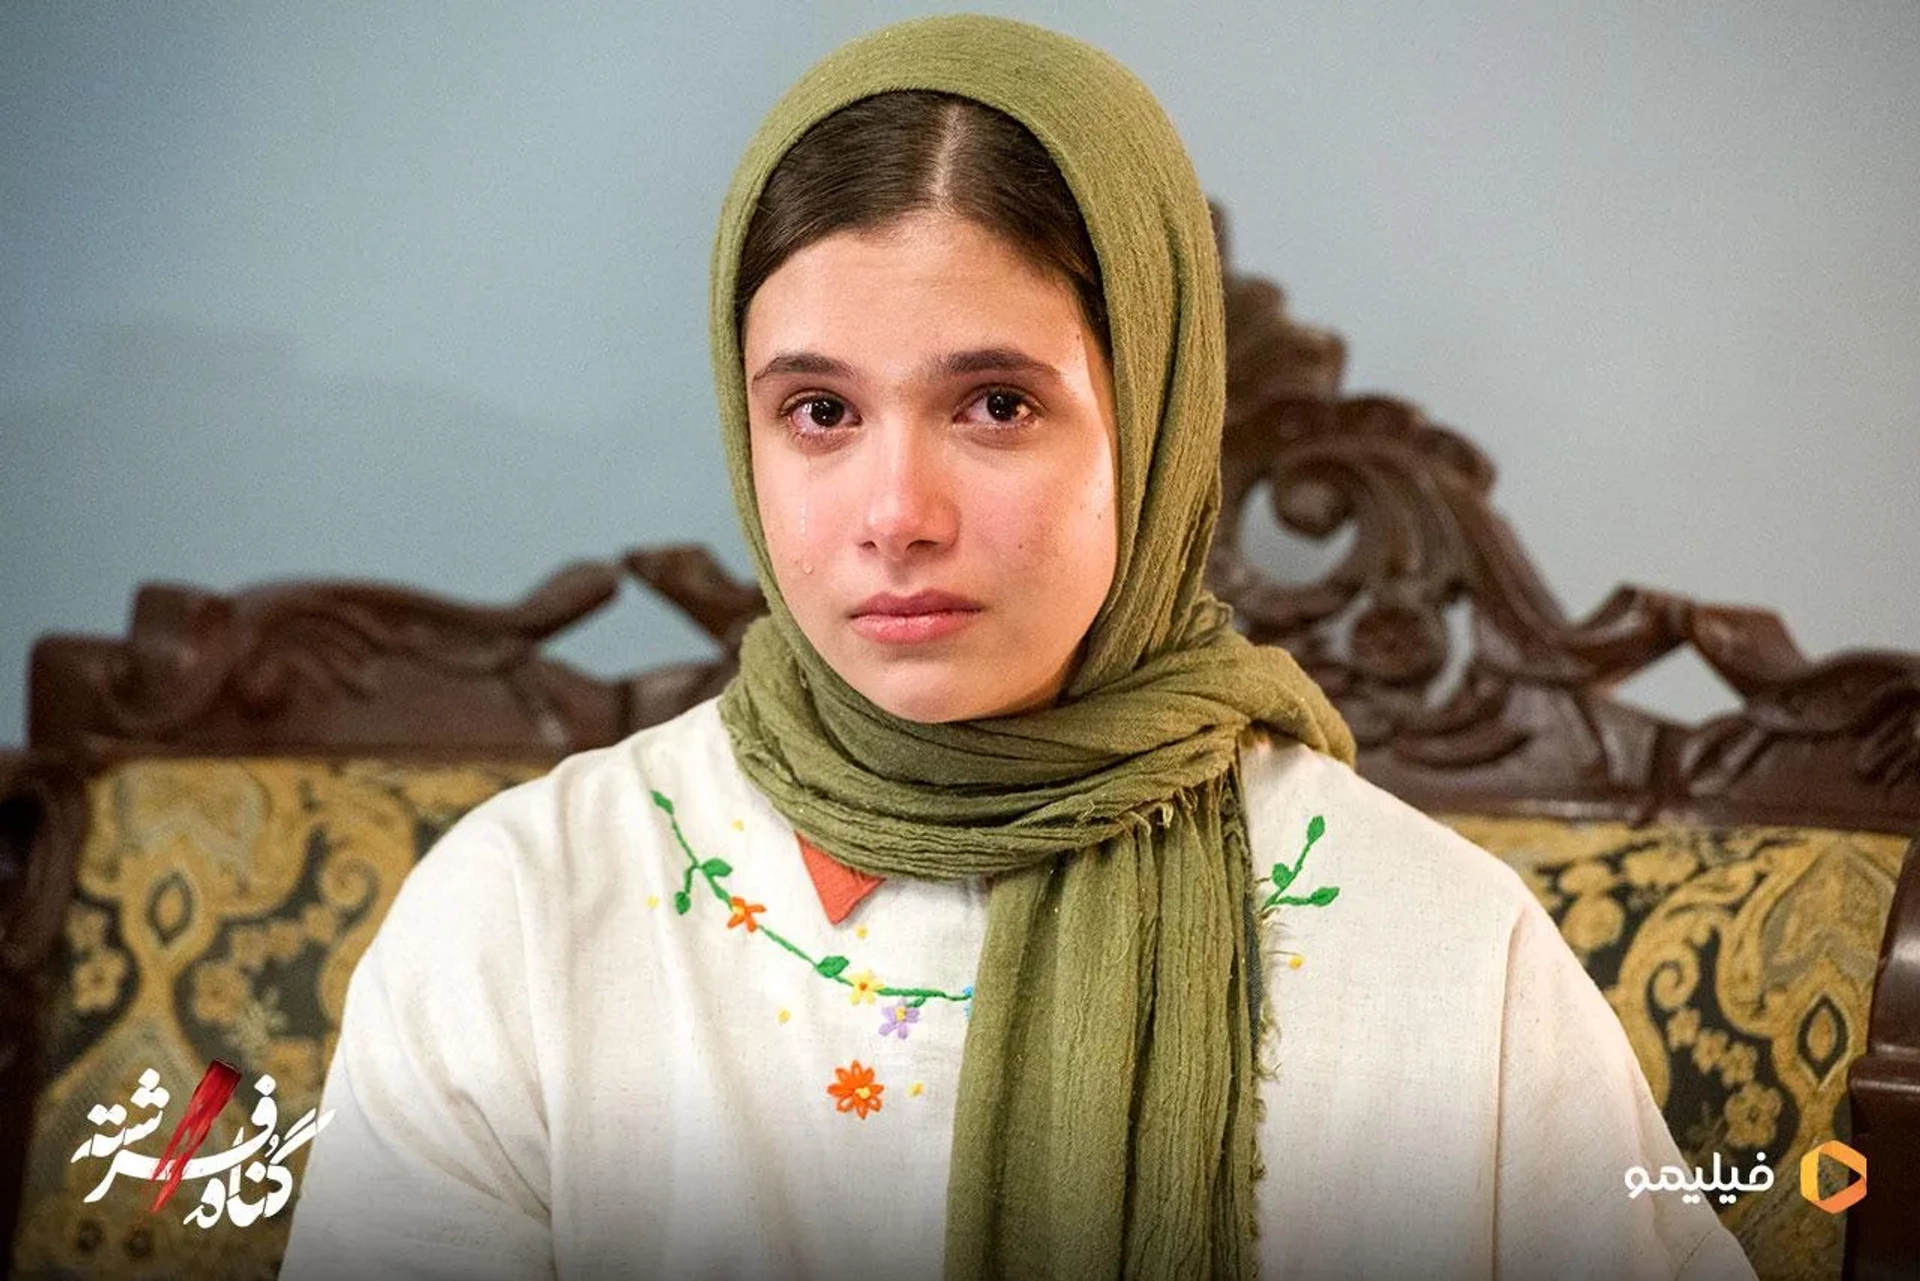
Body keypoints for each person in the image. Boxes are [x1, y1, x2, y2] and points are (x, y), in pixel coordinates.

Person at [280, 15, 1757, 1280]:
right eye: (819, 412)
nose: (897, 516)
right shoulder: (526, 917)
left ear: (1155, 423)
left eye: (996, 405)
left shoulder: (1438, 953)